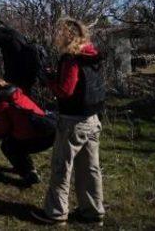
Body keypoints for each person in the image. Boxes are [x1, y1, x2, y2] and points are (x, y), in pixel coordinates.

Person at [32, 18, 106, 226]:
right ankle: (93, 211)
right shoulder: (91, 54)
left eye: (59, 33)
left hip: (73, 122)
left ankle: (55, 213)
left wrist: (48, 80)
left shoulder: (71, 59)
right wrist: (57, 76)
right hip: (93, 119)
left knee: (61, 167)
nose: (56, 37)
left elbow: (65, 91)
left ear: (67, 36)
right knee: (91, 168)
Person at [0, 77, 55, 186]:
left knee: (8, 145)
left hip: (33, 137)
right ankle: (28, 169)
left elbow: (2, 129)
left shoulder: (0, 103)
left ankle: (28, 173)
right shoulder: (18, 95)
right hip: (48, 131)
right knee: (18, 142)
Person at [0, 16, 47, 93]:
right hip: (27, 74)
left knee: (12, 97)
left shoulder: (7, 39)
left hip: (15, 75)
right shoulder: (17, 36)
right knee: (24, 98)